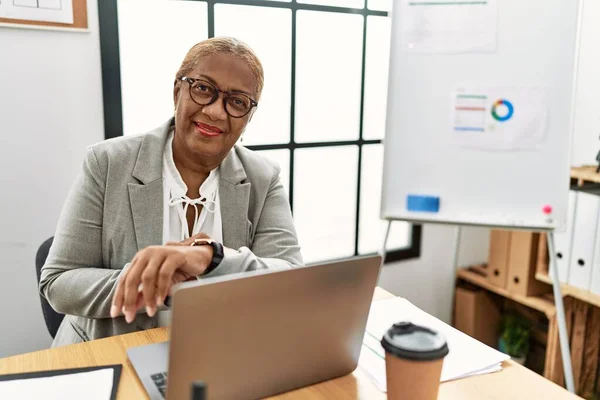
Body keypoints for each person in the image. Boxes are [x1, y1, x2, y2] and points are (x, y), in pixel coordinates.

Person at [40, 37, 303, 347]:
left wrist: (211, 258)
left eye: (237, 101)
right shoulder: (108, 162)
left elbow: (290, 279)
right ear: (178, 90)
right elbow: (58, 282)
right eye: (204, 89)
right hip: (110, 350)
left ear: (248, 117)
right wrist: (159, 281)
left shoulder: (263, 177)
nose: (216, 112)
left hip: (218, 349)